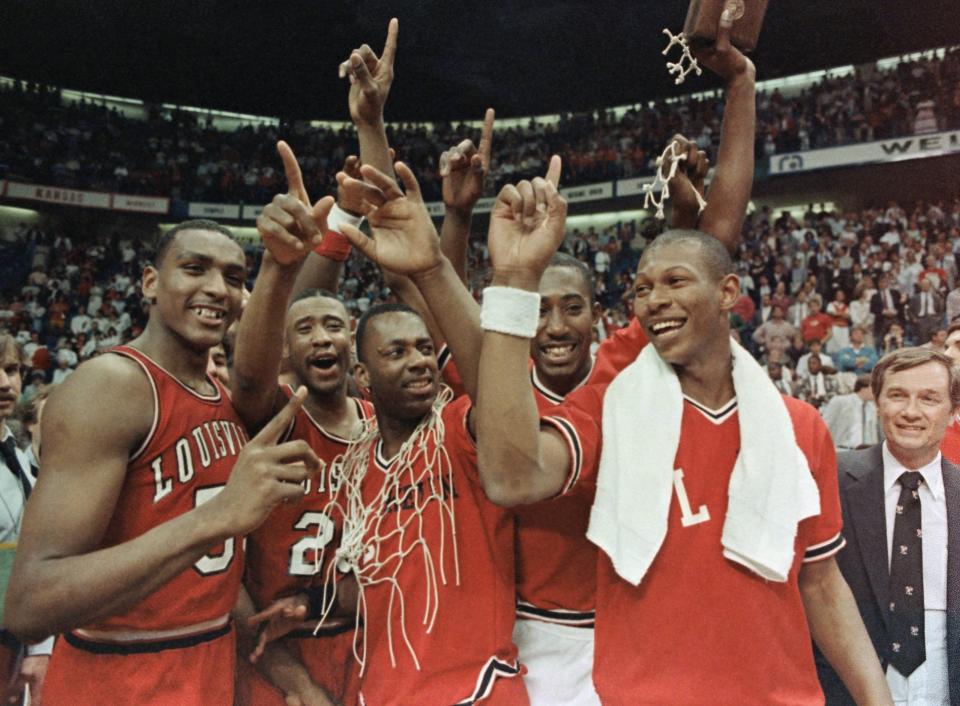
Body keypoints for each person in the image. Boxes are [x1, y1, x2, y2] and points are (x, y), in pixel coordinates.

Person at [473, 144, 891, 706]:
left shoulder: (798, 425)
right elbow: (510, 479)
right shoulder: (613, 409)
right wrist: (516, 280)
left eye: (675, 281)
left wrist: (876, 697)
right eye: (642, 288)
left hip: (779, 696)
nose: (654, 300)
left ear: (727, 294)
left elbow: (820, 581)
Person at [5, 220, 321, 705]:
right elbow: (32, 602)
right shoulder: (111, 385)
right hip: (119, 677)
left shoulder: (219, 395)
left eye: (234, 278)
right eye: (194, 269)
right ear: (150, 282)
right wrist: (214, 518)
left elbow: (207, 569)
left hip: (207, 664)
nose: (216, 288)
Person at [817, 348, 960, 705]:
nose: (911, 412)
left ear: (953, 411)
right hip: (846, 695)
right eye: (898, 395)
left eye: (929, 399)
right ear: (877, 402)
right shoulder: (831, 480)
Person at [0, 335, 51, 706]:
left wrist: (38, 644)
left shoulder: (19, 461)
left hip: (12, 644)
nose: (5, 383)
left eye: (12, 370)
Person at [820, 376, 881, 451]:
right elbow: (824, 425)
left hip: (864, 452)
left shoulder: (872, 408)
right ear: (863, 388)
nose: (876, 393)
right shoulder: (840, 402)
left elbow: (873, 432)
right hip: (842, 450)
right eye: (874, 389)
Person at [909, 278, 944, 346]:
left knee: (935, 340)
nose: (925, 286)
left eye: (927, 284)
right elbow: (910, 310)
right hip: (921, 320)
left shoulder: (936, 297)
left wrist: (938, 318)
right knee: (923, 341)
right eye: (923, 284)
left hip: (933, 319)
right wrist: (914, 319)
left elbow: (941, 310)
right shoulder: (915, 297)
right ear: (920, 285)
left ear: (930, 285)